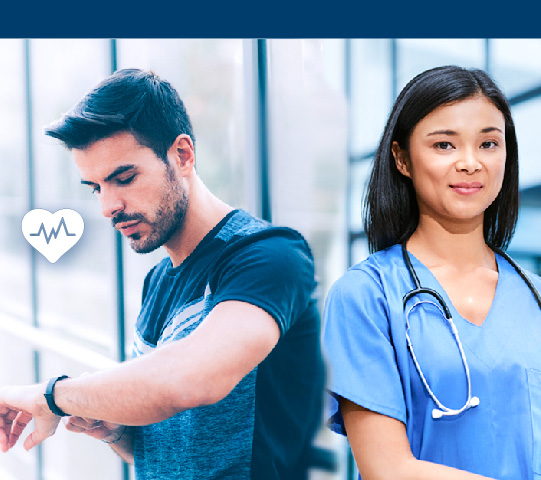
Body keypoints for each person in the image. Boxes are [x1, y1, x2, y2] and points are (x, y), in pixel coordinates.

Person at [0, 69, 322, 480]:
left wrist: (50, 396)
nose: (108, 207)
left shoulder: (269, 256)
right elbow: (163, 447)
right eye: (96, 187)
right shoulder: (158, 281)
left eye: (124, 178)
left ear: (182, 155)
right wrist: (116, 432)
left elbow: (190, 380)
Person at [321, 65, 541, 480]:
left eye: (488, 143)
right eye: (444, 145)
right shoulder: (366, 296)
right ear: (402, 158)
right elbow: (386, 469)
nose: (470, 163)